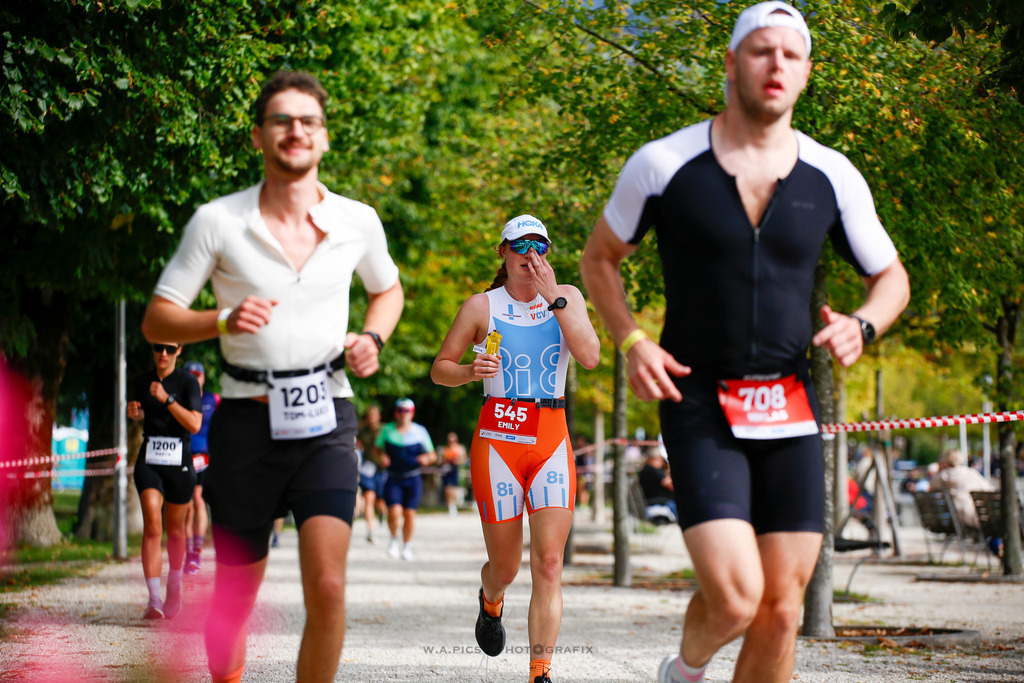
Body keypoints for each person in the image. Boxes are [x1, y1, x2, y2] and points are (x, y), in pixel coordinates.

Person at [579, 3, 911, 681]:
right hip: (699, 399)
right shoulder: (665, 163)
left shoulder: (832, 175)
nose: (776, 65)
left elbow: (892, 276)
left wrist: (864, 322)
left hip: (789, 402)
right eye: (762, 51)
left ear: (807, 74)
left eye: (790, 55)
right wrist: (632, 338)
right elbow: (599, 258)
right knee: (737, 598)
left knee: (782, 609)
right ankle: (686, 669)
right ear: (731, 63)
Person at [140, 70, 404, 683]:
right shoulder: (218, 221)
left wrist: (372, 338)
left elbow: (387, 289)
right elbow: (158, 317)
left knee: (330, 585)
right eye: (282, 121)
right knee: (236, 598)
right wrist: (221, 317)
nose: (296, 131)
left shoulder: (356, 220)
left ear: (325, 138)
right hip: (247, 423)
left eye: (308, 121)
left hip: (326, 416)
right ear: (259, 136)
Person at [431, 214, 600, 683]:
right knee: (505, 566)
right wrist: (469, 371)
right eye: (521, 245)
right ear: (502, 252)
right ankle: (491, 599)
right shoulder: (481, 305)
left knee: (548, 562)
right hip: (498, 439)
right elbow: (439, 368)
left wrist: (556, 299)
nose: (532, 255)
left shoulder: (567, 298)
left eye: (541, 247)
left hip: (550, 435)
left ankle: (539, 672)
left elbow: (589, 356)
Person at [126, 342, 202, 620]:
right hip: (150, 461)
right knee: (153, 525)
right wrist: (137, 413)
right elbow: (146, 415)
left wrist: (167, 399)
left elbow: (194, 423)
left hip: (179, 462)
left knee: (176, 530)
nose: (163, 354)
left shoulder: (187, 382)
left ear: (179, 350)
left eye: (170, 348)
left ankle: (175, 582)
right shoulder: (142, 381)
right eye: (159, 347)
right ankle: (154, 599)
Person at [376, 398, 436, 560]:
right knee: (394, 512)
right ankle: (394, 539)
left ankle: (407, 546)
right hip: (393, 477)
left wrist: (426, 459)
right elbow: (377, 449)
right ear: (396, 413)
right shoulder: (387, 430)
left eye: (407, 411)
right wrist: (382, 456)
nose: (404, 414)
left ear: (412, 413)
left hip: (413, 478)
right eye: (401, 411)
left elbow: (432, 455)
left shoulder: (420, 431)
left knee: (409, 514)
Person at [183, 360, 219, 575]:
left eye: (199, 375)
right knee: (185, 506)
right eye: (191, 375)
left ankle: (196, 551)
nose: (195, 378)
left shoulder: (212, 399)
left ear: (204, 377)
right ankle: (188, 552)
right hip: (182, 454)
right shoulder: (178, 399)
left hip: (204, 455)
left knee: (198, 500)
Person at [929, 449, 996, 533]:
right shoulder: (970, 473)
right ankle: (996, 545)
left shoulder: (942, 476)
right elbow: (989, 489)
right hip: (973, 517)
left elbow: (931, 486)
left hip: (954, 518)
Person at [356, 404, 386, 542]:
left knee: (380, 501)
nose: (371, 418)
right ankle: (370, 531)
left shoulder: (385, 430)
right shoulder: (362, 430)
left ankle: (381, 512)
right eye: (369, 415)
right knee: (369, 499)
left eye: (374, 415)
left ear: (378, 417)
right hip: (368, 469)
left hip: (382, 470)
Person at [638, 447, 676, 523]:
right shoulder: (654, 470)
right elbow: (670, 485)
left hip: (653, 501)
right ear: (659, 458)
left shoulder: (645, 470)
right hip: (661, 502)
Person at [439, 431, 468, 515]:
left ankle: (454, 504)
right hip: (447, 470)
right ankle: (450, 506)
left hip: (456, 470)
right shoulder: (444, 449)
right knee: (447, 488)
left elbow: (464, 459)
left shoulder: (460, 448)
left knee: (455, 489)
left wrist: (458, 461)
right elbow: (440, 461)